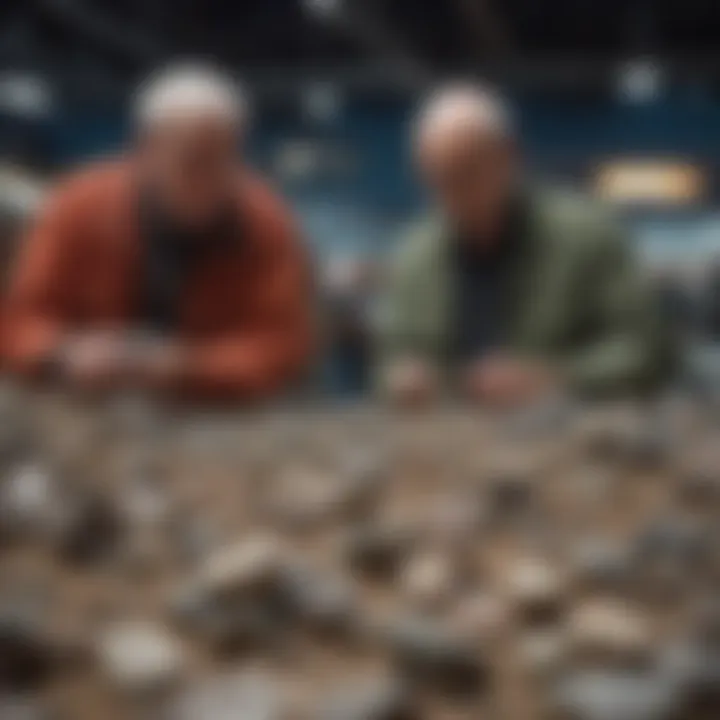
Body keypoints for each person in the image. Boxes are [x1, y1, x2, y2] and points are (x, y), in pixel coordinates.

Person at [4, 64, 313, 402]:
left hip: (207, 415)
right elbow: (19, 321)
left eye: (225, 158)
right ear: (147, 150)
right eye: (192, 160)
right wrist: (63, 352)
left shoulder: (265, 222)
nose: (212, 181)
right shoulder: (78, 206)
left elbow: (281, 346)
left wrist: (186, 365)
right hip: (84, 403)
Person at [376, 83, 673, 408]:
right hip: (453, 443)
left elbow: (646, 349)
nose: (452, 196)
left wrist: (557, 377)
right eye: (437, 181)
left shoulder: (587, 236)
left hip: (570, 439)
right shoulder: (417, 254)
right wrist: (401, 378)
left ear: (508, 157)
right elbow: (392, 356)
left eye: (466, 174)